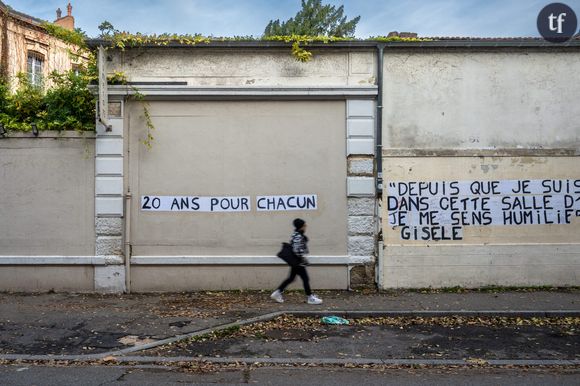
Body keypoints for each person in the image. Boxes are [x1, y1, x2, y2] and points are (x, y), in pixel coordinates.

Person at [270, 218, 323, 305]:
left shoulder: (297, 234)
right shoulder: (298, 236)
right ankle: (310, 298)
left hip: (296, 262)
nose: (306, 226)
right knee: (305, 279)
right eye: (305, 225)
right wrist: (302, 257)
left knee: (291, 278)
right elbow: (296, 249)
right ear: (301, 227)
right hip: (298, 262)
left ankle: (277, 293)